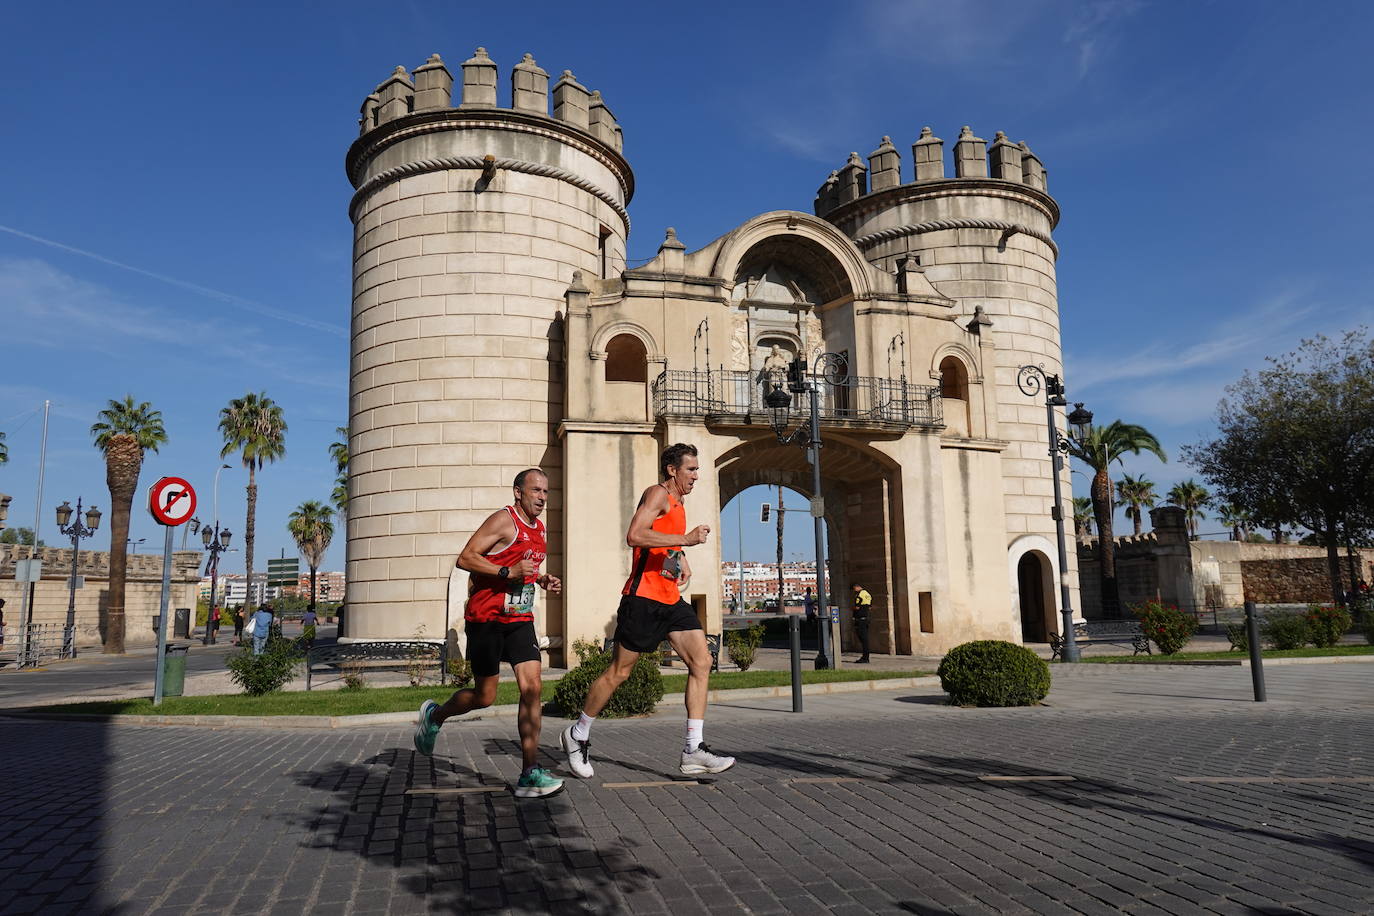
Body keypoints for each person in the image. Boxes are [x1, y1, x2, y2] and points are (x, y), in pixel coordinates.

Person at [561, 443, 734, 779]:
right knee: (619, 673)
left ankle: (692, 749)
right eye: (691, 470)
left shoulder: (680, 504)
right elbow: (635, 535)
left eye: (697, 470)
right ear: (672, 470)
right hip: (643, 598)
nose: (696, 476)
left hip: (669, 599)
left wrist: (681, 561)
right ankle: (577, 733)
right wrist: (685, 541)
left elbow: (666, 542)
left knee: (702, 660)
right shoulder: (657, 494)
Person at [413, 468, 564, 799]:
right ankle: (435, 715)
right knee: (485, 696)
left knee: (532, 687)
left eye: (545, 492)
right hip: (486, 618)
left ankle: (529, 773)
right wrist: (507, 572)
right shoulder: (503, 520)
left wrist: (541, 579)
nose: (542, 497)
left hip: (519, 619)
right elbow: (466, 558)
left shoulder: (538, 528)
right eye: (535, 490)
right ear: (518, 492)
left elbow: (525, 567)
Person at [851, 584, 872, 663]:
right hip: (866, 618)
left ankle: (865, 657)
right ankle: (866, 656)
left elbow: (857, 607)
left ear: (857, 587)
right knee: (865, 639)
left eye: (854, 588)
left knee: (862, 638)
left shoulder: (859, 595)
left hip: (860, 619)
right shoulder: (868, 594)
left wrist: (852, 608)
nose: (854, 591)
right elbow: (870, 607)